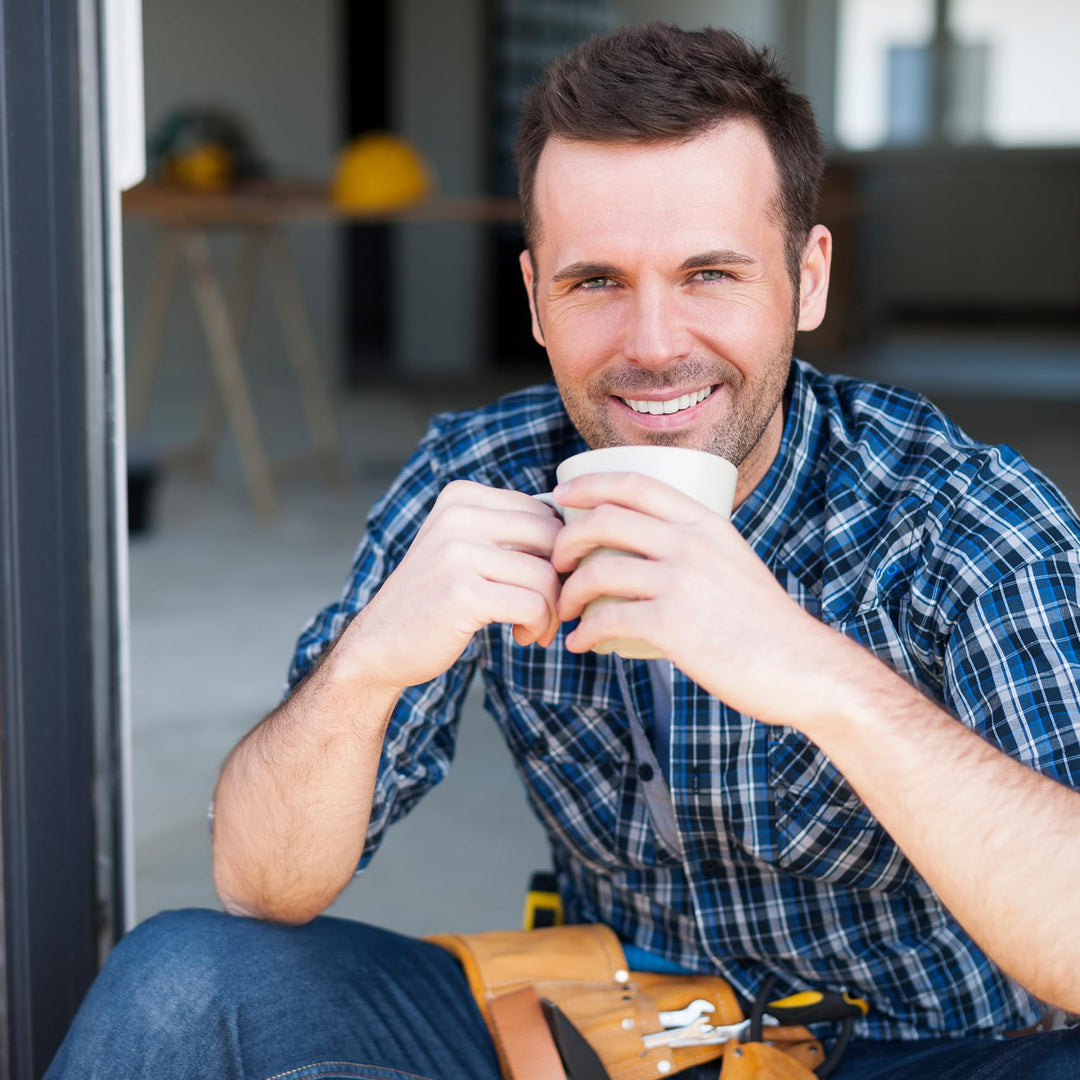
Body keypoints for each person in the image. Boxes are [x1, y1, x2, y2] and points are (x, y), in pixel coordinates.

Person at [47, 22, 1080, 1080]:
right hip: (599, 1028)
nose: (654, 344)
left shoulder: (960, 516)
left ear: (807, 280)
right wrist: (368, 664)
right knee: (182, 981)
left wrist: (817, 674)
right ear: (536, 296)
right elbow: (262, 886)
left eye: (710, 274)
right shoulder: (480, 479)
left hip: (917, 1052)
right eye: (596, 283)